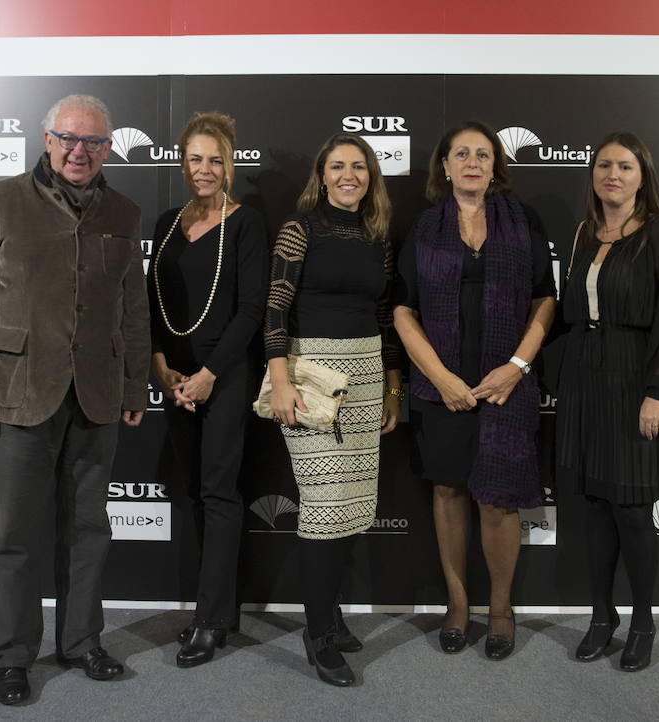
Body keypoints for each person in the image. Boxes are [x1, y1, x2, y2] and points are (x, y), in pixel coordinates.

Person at [0, 94, 150, 705]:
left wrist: (133, 384)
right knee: (15, 535)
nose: (79, 151)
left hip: (97, 393)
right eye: (68, 138)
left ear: (109, 148)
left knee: (89, 527)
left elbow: (132, 307)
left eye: (93, 142)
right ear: (46, 139)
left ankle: (81, 640)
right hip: (18, 394)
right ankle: (12, 657)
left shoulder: (124, 210)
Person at [393, 121, 556, 661]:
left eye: (482, 154)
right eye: (461, 153)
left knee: (497, 500)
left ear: (494, 166)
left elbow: (543, 299)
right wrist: (440, 378)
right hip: (441, 385)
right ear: (444, 165)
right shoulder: (422, 228)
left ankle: (501, 609)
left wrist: (517, 366)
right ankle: (459, 604)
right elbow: (402, 309)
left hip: (505, 385)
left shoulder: (520, 220)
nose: (471, 162)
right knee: (448, 491)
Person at [264, 132, 402, 686]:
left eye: (360, 167)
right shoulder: (300, 228)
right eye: (338, 166)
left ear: (371, 176)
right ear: (321, 175)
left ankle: (333, 617)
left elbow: (387, 312)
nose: (350, 175)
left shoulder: (377, 234)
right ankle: (317, 634)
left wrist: (392, 386)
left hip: (367, 372)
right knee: (323, 507)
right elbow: (275, 308)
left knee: (351, 505)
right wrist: (279, 381)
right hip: (312, 376)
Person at [556, 132, 659, 672]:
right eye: (604, 165)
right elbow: (570, 310)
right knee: (593, 508)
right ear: (593, 174)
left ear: (642, 176)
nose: (613, 174)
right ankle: (601, 617)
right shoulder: (587, 231)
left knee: (632, 511)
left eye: (625, 166)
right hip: (586, 380)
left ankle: (644, 621)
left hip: (636, 383)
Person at [148, 112, 268, 667]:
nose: (205, 169)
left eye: (215, 159)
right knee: (194, 490)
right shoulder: (167, 223)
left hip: (224, 375)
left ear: (231, 163)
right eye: (195, 159)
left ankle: (211, 620)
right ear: (181, 162)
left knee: (220, 492)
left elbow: (250, 311)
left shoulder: (246, 223)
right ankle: (215, 609)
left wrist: (209, 375)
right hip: (175, 378)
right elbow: (153, 304)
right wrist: (160, 367)